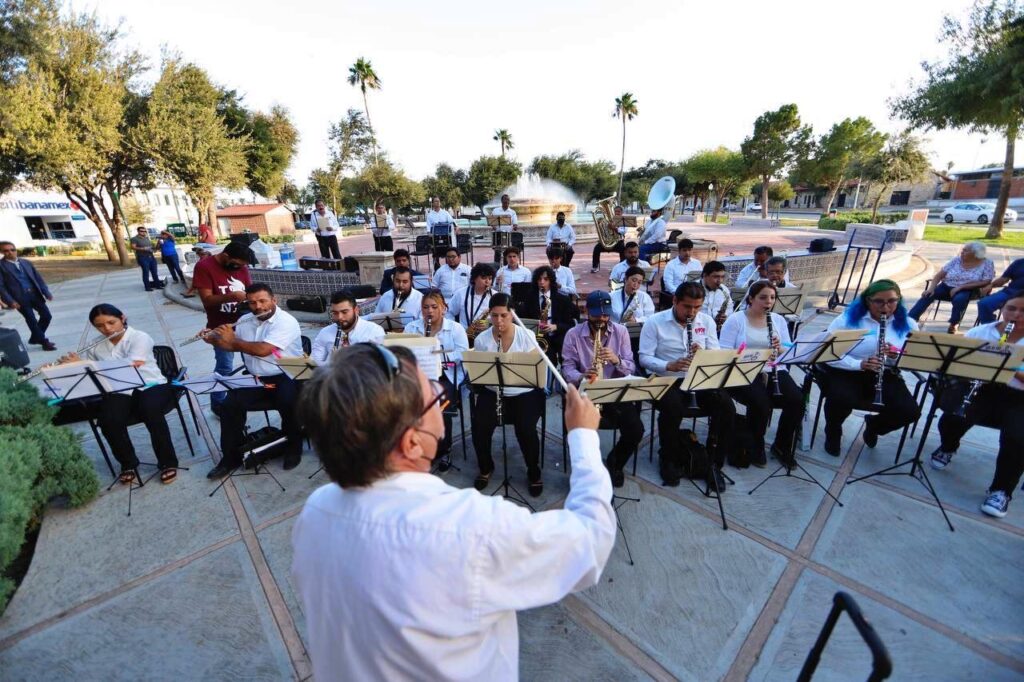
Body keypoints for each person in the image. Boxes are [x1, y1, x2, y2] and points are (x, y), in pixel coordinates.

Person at [291, 343, 613, 680]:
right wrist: (583, 436)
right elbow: (591, 540)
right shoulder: (472, 528)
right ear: (412, 442)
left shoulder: (316, 510)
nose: (442, 394)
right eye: (434, 395)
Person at [931, 293, 1024, 518]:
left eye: (1023, 311)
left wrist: (1013, 369)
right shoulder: (981, 332)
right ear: (1002, 307)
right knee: (954, 416)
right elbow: (954, 361)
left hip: (1018, 396)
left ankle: (1001, 491)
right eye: (1012, 308)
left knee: (1017, 437)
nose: (1017, 315)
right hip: (981, 388)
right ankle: (948, 446)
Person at [65, 304, 180, 484]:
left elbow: (131, 364)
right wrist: (77, 366)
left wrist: (87, 363)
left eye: (111, 322)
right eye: (100, 325)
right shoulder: (95, 345)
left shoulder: (140, 337)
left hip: (150, 384)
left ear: (122, 318)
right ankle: (128, 464)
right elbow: (94, 374)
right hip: (119, 388)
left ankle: (168, 462)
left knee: (150, 410)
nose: (107, 329)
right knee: (107, 419)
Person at [639, 282, 734, 488]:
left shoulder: (706, 321)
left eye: (697, 307)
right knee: (673, 408)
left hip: (697, 376)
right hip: (666, 377)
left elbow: (715, 352)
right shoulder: (654, 322)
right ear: (675, 301)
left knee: (726, 406)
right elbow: (644, 358)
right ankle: (668, 458)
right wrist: (669, 365)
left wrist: (704, 355)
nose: (692, 312)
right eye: (687, 307)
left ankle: (713, 462)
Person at [205, 283, 305, 476]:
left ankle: (294, 448)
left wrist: (231, 340)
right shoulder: (244, 320)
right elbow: (233, 347)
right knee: (228, 406)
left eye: (262, 301)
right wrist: (214, 339)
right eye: (252, 303)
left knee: (288, 402)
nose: (258, 307)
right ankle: (230, 458)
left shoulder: (287, 321)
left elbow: (262, 349)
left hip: (288, 374)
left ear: (273, 300)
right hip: (257, 378)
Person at [819, 279, 921, 456]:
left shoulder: (909, 324)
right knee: (840, 399)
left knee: (909, 411)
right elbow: (828, 353)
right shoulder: (847, 320)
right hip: (847, 370)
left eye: (892, 301)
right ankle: (833, 432)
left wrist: (896, 356)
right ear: (867, 300)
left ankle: (874, 426)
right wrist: (858, 364)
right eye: (879, 301)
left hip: (885, 372)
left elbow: (915, 357)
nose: (886, 307)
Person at [561, 291, 644, 486]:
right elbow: (567, 368)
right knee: (578, 431)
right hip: (585, 393)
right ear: (586, 311)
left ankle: (616, 462)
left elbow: (631, 366)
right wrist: (582, 375)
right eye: (597, 315)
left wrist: (617, 360)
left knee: (636, 429)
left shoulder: (621, 332)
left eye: (606, 315)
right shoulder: (573, 334)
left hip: (614, 392)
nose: (602, 319)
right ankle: (584, 471)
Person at [470, 293, 548, 496]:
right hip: (494, 390)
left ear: (512, 314)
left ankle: (533, 471)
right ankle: (486, 467)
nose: (498, 321)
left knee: (526, 429)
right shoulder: (482, 340)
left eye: (503, 315)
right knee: (479, 426)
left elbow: (537, 374)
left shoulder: (527, 336)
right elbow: (479, 375)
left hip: (524, 392)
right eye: (494, 316)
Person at [718, 282, 801, 467]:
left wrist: (779, 348)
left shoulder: (778, 320)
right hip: (743, 370)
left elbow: (787, 350)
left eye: (772, 297)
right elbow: (724, 352)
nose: (768, 302)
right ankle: (756, 444)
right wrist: (747, 354)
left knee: (797, 400)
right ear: (751, 299)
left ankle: (782, 445)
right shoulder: (736, 320)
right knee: (761, 403)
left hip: (773, 369)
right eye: (763, 297)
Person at [405, 289, 470, 470]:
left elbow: (461, 353)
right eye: (425, 307)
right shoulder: (412, 328)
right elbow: (404, 352)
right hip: (419, 376)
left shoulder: (455, 328)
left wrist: (436, 356)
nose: (430, 311)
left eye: (434, 307)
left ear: (444, 308)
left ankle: (444, 448)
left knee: (439, 407)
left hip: (446, 376)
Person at [191, 241, 253, 413]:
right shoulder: (204, 267)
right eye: (237, 264)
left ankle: (249, 395)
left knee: (252, 361)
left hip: (245, 323)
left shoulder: (242, 266)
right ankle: (217, 402)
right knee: (225, 367)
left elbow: (249, 290)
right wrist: (231, 296)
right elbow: (207, 300)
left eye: (242, 266)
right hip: (220, 325)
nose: (239, 268)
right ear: (226, 256)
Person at [908, 241, 995, 334]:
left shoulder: (987, 263)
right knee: (928, 295)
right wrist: (931, 288)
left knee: (959, 299)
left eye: (966, 251)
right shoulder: (956, 260)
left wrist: (961, 287)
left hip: (970, 289)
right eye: (963, 250)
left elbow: (986, 281)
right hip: (947, 286)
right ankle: (910, 320)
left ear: (975, 254)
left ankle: (954, 323)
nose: (962, 252)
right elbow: (939, 275)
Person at [0, 241, 56, 350]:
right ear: (2, 252)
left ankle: (35, 338)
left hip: (35, 294)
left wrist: (46, 292)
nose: (10, 252)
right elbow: (1, 286)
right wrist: (10, 301)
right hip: (19, 298)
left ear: (16, 250)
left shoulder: (26, 262)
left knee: (46, 316)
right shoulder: (1, 266)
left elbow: (38, 278)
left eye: (12, 249)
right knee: (31, 319)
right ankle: (44, 342)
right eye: (6, 251)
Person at [518, 265, 575, 364]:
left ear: (551, 281)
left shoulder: (563, 300)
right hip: (535, 339)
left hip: (556, 338)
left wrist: (556, 326)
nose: (542, 282)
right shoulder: (529, 299)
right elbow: (522, 320)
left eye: (545, 279)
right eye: (539, 279)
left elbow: (571, 324)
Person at [310, 290, 385, 364]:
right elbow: (314, 364)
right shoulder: (325, 332)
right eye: (335, 313)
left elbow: (380, 365)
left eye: (344, 312)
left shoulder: (374, 331)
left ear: (356, 310)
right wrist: (331, 362)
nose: (340, 317)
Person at [448, 262, 495, 341]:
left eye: (490, 278)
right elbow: (449, 312)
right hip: (464, 336)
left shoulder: (494, 295)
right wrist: (456, 329)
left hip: (488, 337)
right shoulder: (461, 294)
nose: (487, 282)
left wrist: (489, 324)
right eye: (484, 278)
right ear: (474, 278)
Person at [976, 257, 1024, 324]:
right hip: (1010, 293)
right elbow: (1004, 279)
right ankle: (991, 328)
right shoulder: (1019, 262)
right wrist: (991, 285)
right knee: (984, 303)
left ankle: (1017, 332)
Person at [591, 205, 628, 273]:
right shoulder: (608, 219)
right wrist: (601, 225)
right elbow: (604, 231)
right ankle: (595, 266)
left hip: (618, 242)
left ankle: (621, 267)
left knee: (623, 249)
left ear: (622, 212)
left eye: (618, 211)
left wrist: (614, 228)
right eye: (615, 211)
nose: (617, 213)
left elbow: (624, 231)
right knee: (597, 248)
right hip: (608, 241)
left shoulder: (623, 220)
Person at [700, 261, 732, 333]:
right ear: (705, 276)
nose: (720, 281)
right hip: (698, 328)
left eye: (722, 277)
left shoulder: (724, 290)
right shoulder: (693, 289)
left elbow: (730, 308)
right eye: (716, 277)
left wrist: (725, 316)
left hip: (716, 330)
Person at [130, 227, 163, 291]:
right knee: (146, 272)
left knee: (154, 272)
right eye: (142, 231)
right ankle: (147, 287)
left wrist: (158, 244)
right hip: (143, 257)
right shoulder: (134, 239)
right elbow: (133, 247)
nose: (144, 232)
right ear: (138, 231)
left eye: (145, 231)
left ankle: (157, 285)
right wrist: (143, 248)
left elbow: (152, 248)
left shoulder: (147, 238)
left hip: (151, 257)